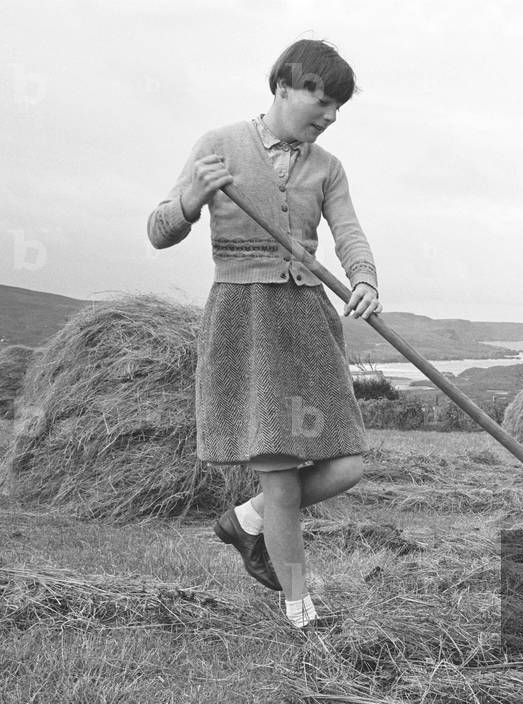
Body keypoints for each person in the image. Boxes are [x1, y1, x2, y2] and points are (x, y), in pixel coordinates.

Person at [147, 39, 380, 629]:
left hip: (306, 321)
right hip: (245, 321)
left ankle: (245, 521)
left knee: (347, 463)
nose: (328, 117)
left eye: (336, 110)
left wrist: (364, 278)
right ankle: (299, 607)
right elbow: (157, 230)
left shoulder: (328, 167)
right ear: (282, 87)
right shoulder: (218, 145)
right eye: (321, 102)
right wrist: (191, 201)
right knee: (278, 473)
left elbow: (348, 231)